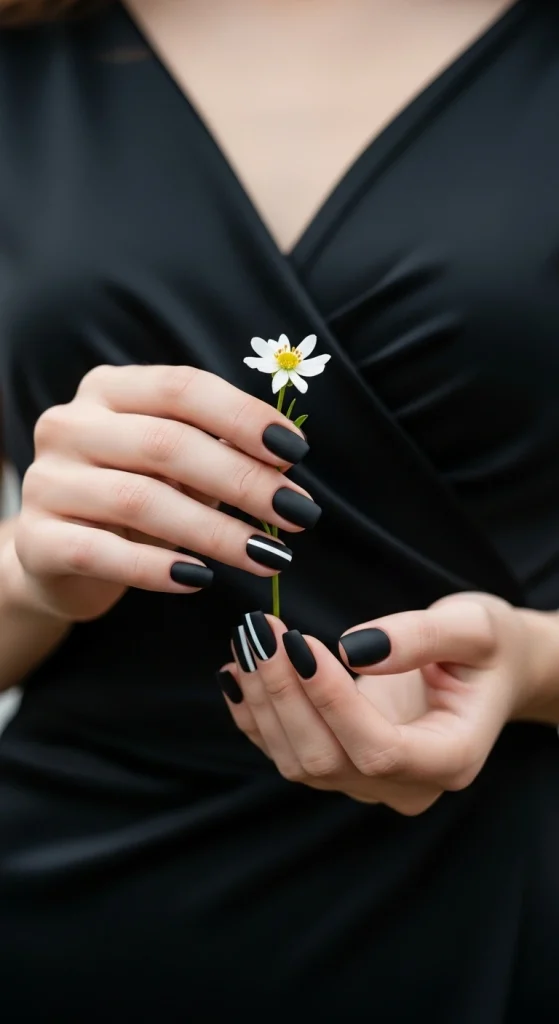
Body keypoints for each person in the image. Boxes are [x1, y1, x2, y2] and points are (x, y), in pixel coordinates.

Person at [0, 0, 558, 1018]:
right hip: (79, 906)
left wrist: (528, 663)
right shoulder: (25, 57)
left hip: (499, 905)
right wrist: (38, 578)